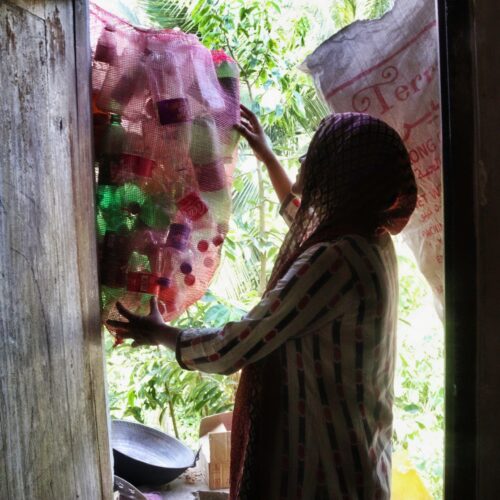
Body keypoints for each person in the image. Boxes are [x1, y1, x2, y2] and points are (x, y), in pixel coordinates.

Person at [107, 105, 417, 499]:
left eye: (316, 154)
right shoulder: (369, 241)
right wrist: (268, 157)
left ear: (344, 175)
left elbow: (238, 344)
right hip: (359, 460)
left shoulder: (334, 259)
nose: (306, 159)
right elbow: (304, 221)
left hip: (322, 473)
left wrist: (163, 335)